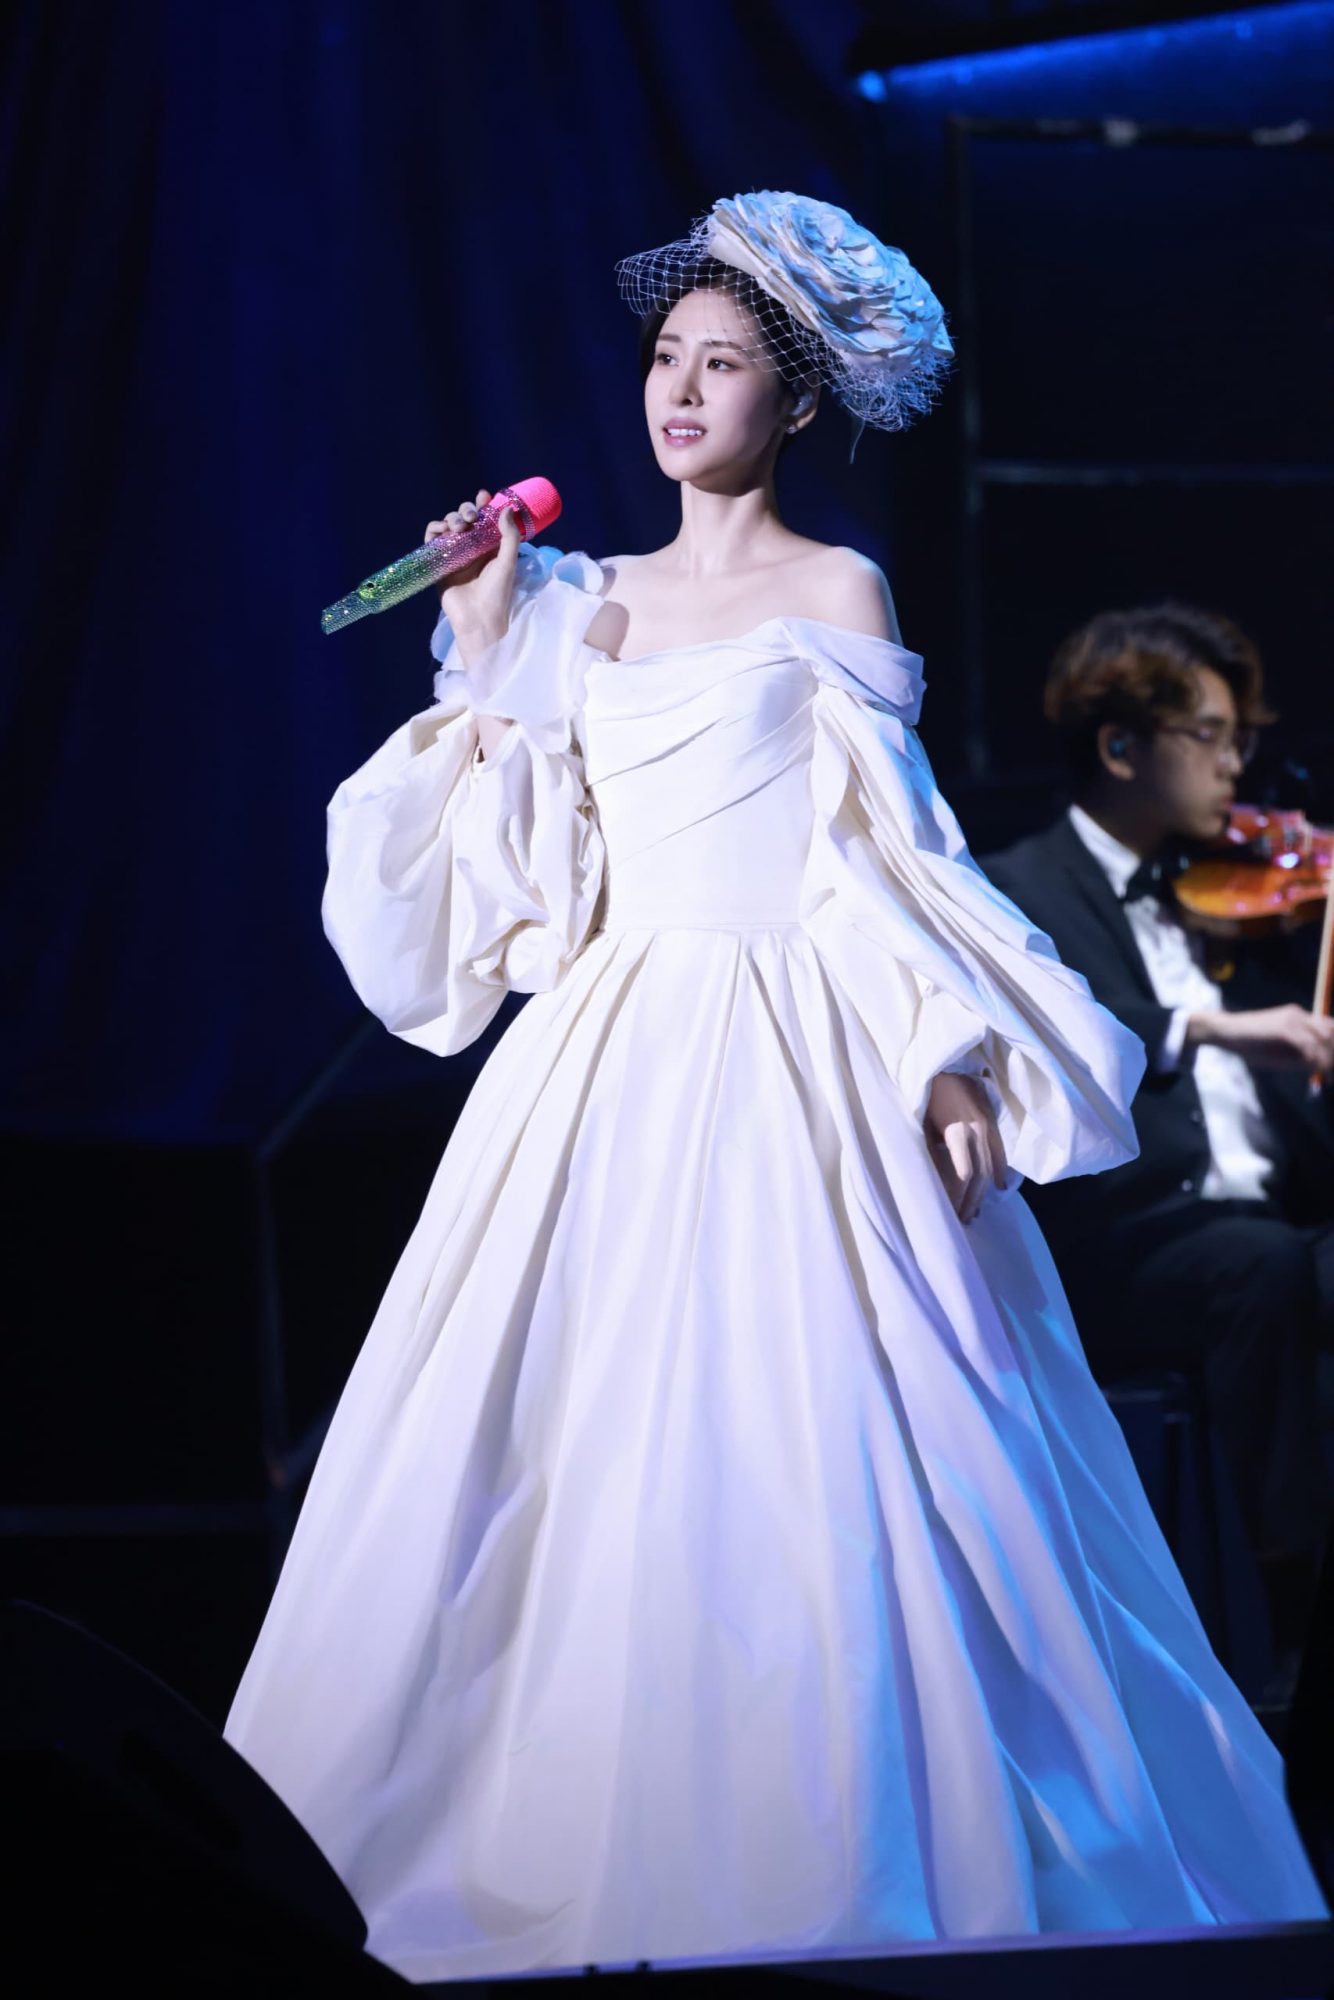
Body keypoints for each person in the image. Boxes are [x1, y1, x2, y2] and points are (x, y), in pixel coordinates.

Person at [223, 194, 1329, 1983]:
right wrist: (489, 635)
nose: (679, 390)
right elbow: (527, 875)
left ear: (793, 401)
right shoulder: (580, 598)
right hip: (604, 1050)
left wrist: (943, 1049)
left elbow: (879, 859)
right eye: (666, 356)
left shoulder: (833, 592)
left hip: (793, 1054)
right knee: (541, 1438)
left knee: (845, 1436)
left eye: (722, 364)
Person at [982, 606, 1334, 1676]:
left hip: (1271, 1221)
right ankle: (1294, 1612)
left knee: (1279, 1261)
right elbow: (1057, 1034)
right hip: (1125, 1242)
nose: (1236, 766)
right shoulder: (1013, 890)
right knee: (1259, 1269)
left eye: (1240, 740)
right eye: (1212, 736)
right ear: (1120, 747)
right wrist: (1206, 1026)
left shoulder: (1242, 889)